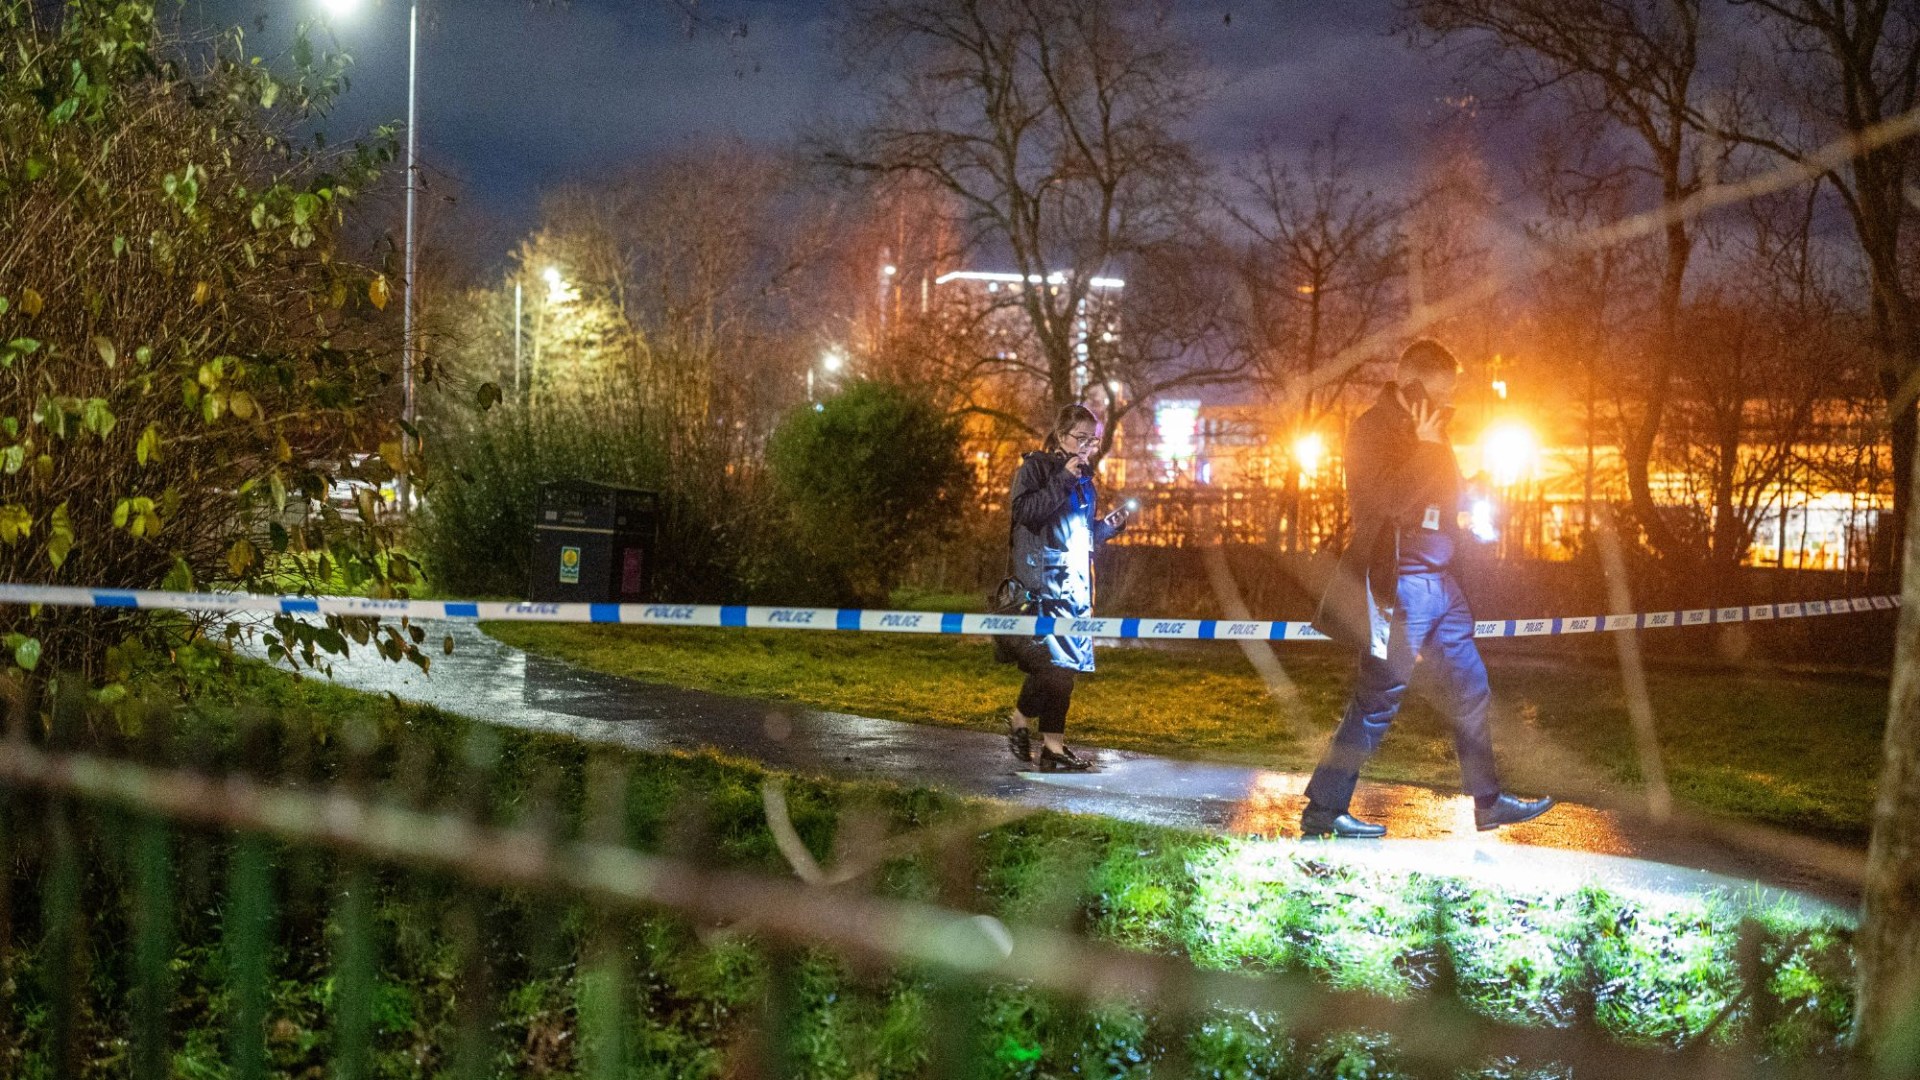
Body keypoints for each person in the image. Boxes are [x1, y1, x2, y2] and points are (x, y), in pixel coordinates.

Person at [1302, 339, 1555, 837]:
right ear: (1410, 382)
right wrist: (1427, 448)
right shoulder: (1372, 430)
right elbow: (1389, 502)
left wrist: (1476, 486)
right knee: (1378, 698)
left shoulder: (1432, 432)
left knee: (1470, 689)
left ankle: (1488, 802)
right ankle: (1323, 810)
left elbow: (1450, 494)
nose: (1446, 402)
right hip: (1399, 583)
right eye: (1440, 391)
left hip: (1441, 581)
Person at [1004, 404, 1131, 772]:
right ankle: (1050, 744)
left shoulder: (1084, 481)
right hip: (1042, 586)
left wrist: (1109, 526)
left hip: (1074, 590)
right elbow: (1026, 513)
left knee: (1061, 667)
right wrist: (1062, 478)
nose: (1087, 447)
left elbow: (1081, 535)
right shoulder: (1036, 469)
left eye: (1092, 441)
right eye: (1080, 438)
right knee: (1055, 667)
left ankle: (1029, 729)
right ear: (1061, 436)